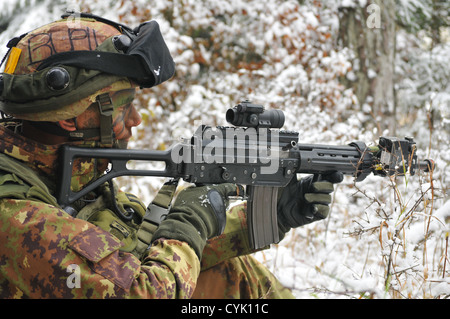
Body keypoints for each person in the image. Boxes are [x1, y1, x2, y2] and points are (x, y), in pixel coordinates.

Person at [0, 13, 342, 299]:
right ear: (69, 115)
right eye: (123, 107)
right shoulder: (15, 214)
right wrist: (192, 219)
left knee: (226, 271)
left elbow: (146, 254)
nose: (135, 120)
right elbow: (141, 292)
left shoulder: (74, 180)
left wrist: (272, 216)